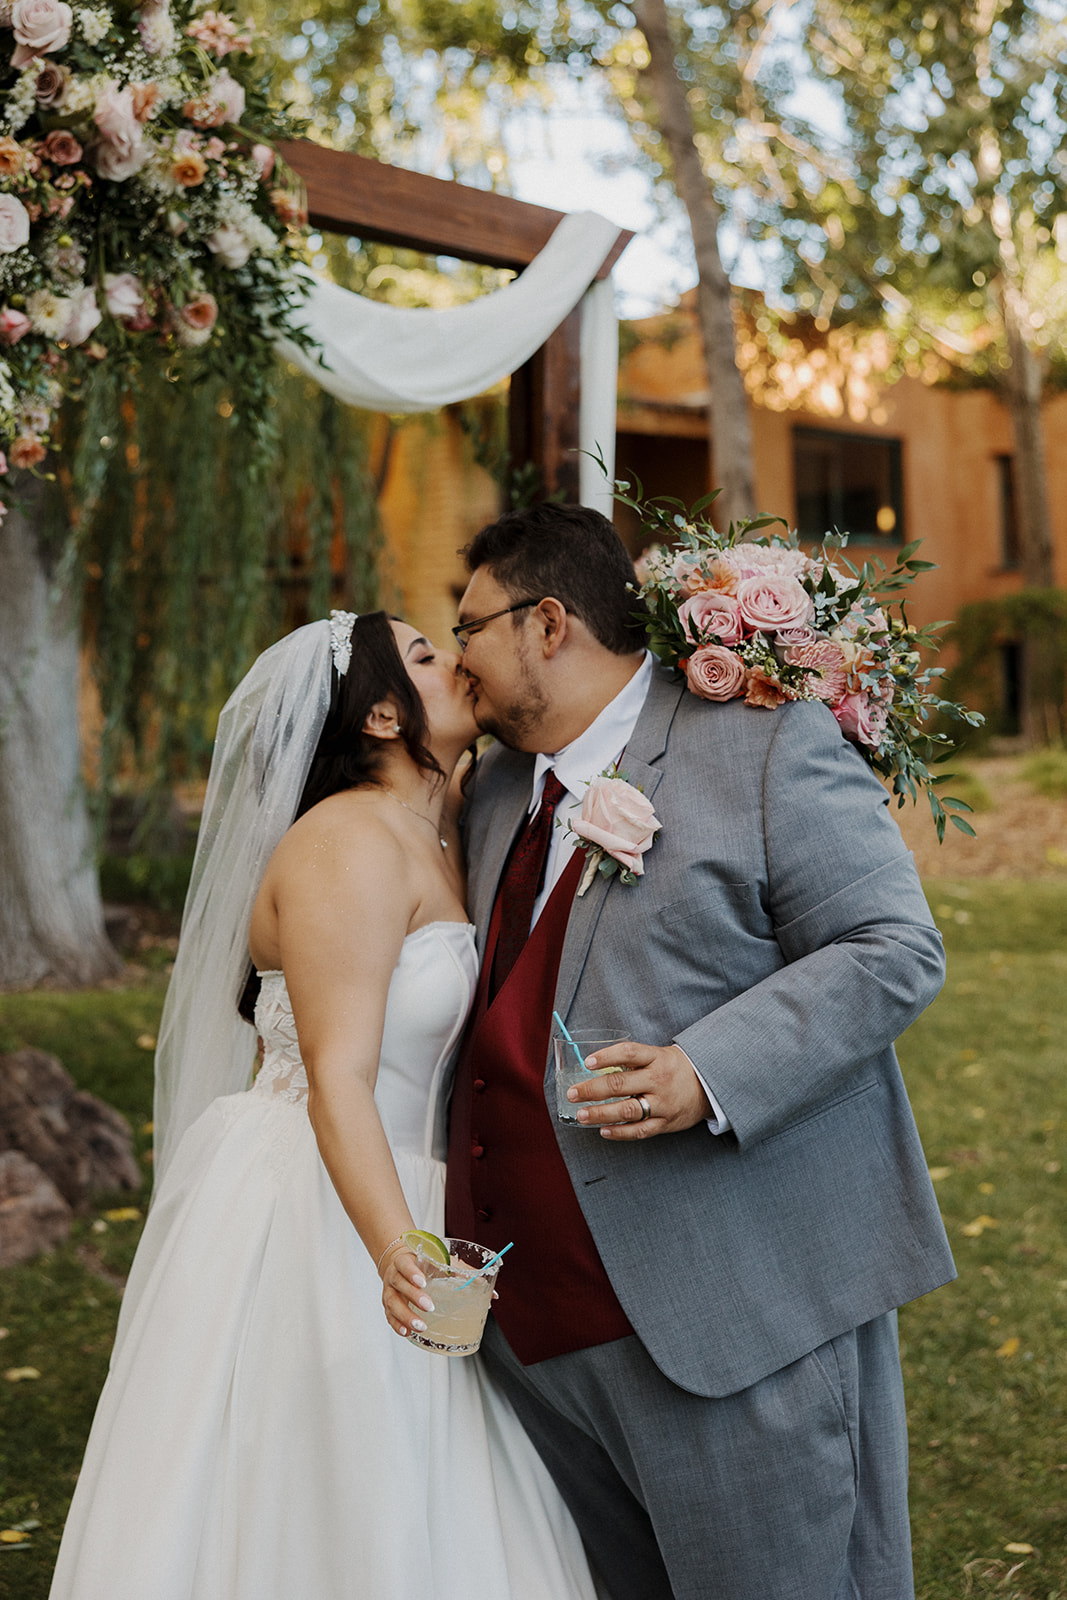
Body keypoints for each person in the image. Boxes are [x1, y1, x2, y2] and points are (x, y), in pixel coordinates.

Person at [445, 503, 956, 1600]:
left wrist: (706, 1070)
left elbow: (891, 947)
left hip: (731, 1313)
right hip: (536, 1344)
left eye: (469, 626)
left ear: (547, 622)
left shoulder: (761, 743)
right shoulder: (490, 793)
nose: (454, 660)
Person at [49, 610, 600, 1600]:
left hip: (412, 1185)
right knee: (335, 1478)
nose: (459, 660)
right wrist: (398, 1250)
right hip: (324, 1199)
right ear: (383, 710)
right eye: (429, 654)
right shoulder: (345, 842)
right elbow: (335, 1073)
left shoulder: (443, 823)